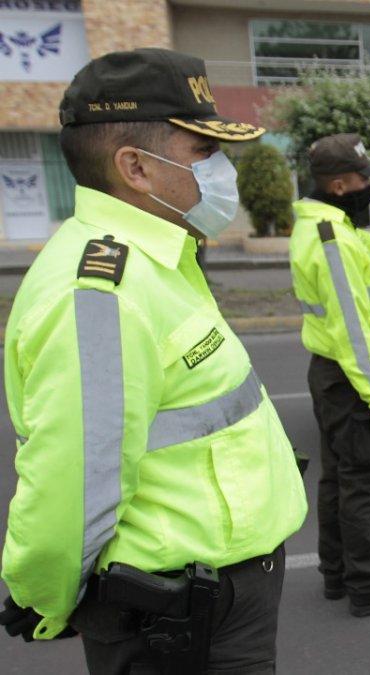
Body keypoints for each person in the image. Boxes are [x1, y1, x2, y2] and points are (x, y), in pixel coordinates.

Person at [0, 48, 307, 673]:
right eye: (203, 152)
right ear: (136, 167)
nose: (223, 170)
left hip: (218, 597)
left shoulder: (157, 259)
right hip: (180, 620)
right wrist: (45, 599)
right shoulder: (101, 293)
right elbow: (72, 482)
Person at [289, 133, 370, 617]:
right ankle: (369, 587)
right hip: (350, 377)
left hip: (332, 375)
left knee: (339, 479)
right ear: (340, 184)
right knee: (364, 482)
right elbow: (353, 333)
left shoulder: (330, 226)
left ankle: (337, 576)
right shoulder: (331, 242)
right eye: (365, 178)